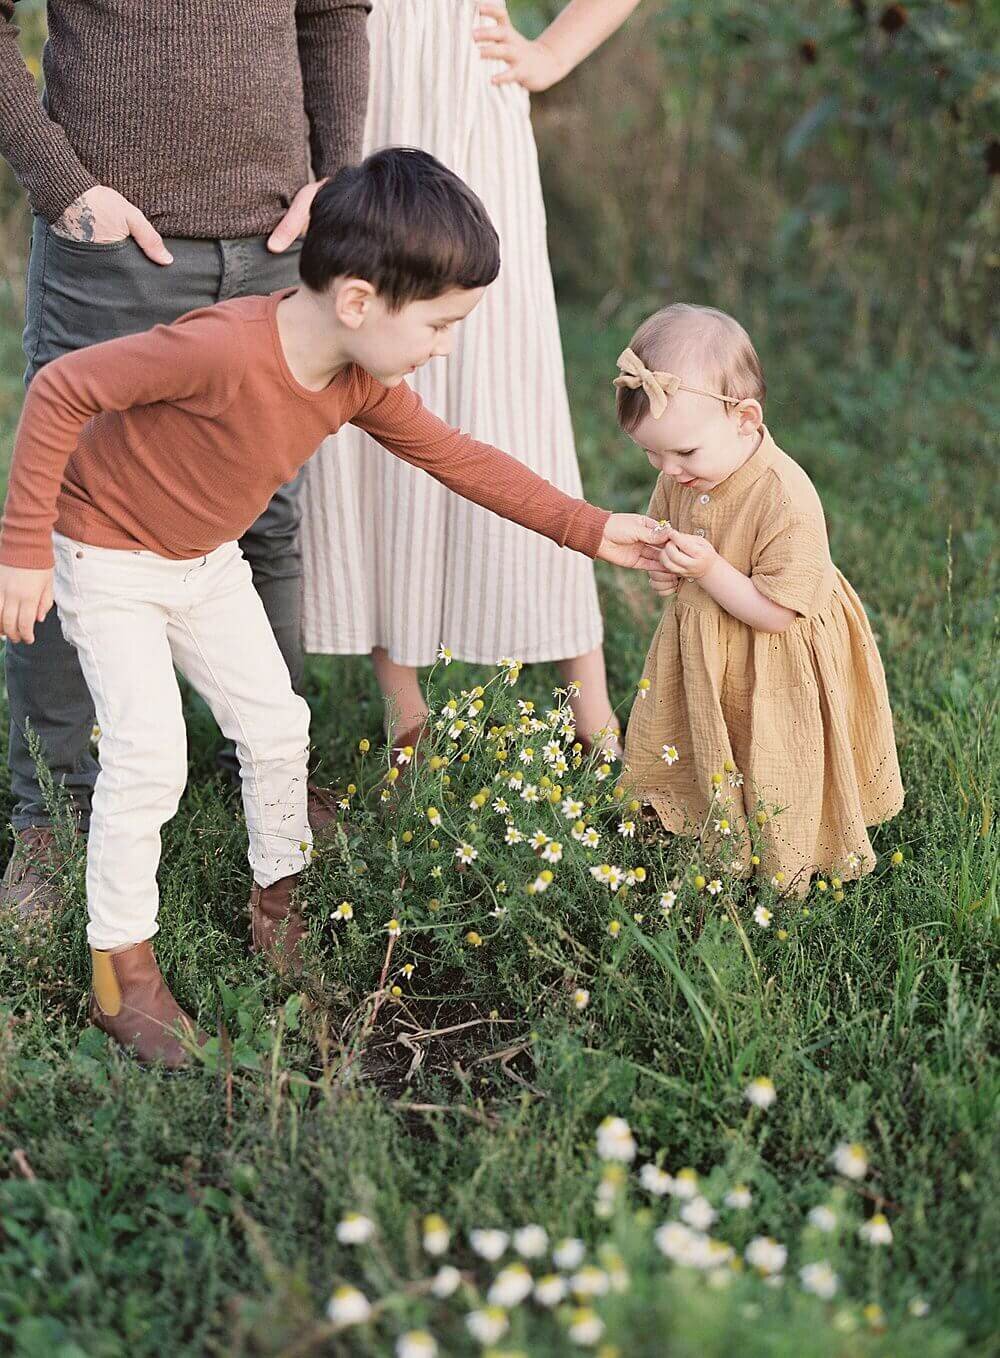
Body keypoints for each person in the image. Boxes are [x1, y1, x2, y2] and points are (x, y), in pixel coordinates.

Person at [0, 148, 671, 1066]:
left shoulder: (357, 380)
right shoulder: (223, 346)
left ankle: (279, 906)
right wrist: (25, 545)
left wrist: (590, 529)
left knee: (278, 727)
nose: (445, 345)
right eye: (439, 325)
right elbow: (61, 387)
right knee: (150, 758)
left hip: (201, 562)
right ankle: (123, 978)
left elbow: (458, 457)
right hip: (108, 554)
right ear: (359, 302)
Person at [0, 0, 371, 918]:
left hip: (277, 245)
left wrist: (334, 178)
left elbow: (333, 13)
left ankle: (273, 784)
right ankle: (54, 812)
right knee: (69, 518)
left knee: (268, 520)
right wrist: (61, 184)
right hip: (112, 251)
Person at [300, 0, 641, 762]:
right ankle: (404, 716)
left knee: (512, 391)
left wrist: (551, 54)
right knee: (371, 372)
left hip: (464, 84)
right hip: (349, 81)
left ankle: (593, 711)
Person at [617, 304, 904, 893]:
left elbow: (777, 613)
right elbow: (665, 528)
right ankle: (698, 816)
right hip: (707, 646)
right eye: (652, 455)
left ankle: (788, 853)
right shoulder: (682, 474)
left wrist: (713, 571)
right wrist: (666, 572)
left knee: (774, 751)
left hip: (777, 656)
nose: (668, 471)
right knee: (706, 730)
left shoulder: (784, 496)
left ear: (746, 419)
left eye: (683, 454)